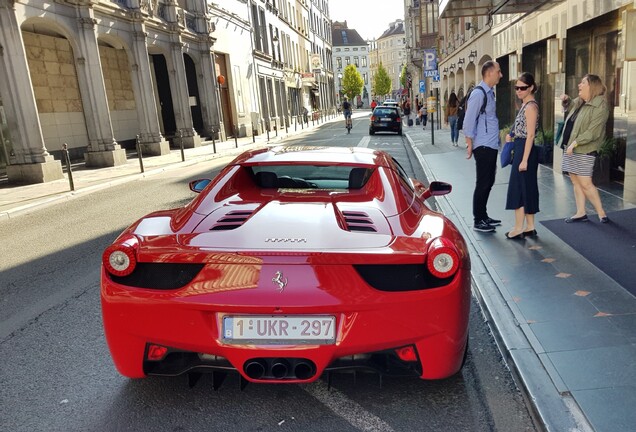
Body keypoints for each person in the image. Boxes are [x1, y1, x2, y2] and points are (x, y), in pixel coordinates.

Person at [558, 74, 609, 223]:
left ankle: (602, 213)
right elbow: (569, 107)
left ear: (591, 86)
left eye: (582, 83)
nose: (579, 85)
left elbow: (594, 132)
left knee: (586, 183)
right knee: (575, 181)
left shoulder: (600, 105)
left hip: (583, 149)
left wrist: (576, 143)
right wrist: (566, 101)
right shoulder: (580, 101)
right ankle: (581, 212)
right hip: (570, 148)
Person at [464, 60, 504, 233]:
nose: (501, 75)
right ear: (489, 73)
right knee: (483, 182)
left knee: (489, 181)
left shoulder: (490, 93)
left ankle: (483, 215)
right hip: (484, 146)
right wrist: (469, 143)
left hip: (491, 144)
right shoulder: (479, 94)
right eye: (499, 71)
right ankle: (478, 220)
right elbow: (468, 120)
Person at [504, 72, 540, 239]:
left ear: (531, 87)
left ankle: (519, 227)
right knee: (526, 187)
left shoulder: (531, 106)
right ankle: (530, 226)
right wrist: (511, 135)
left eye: (522, 88)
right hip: (521, 147)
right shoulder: (526, 105)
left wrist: (524, 159)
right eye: (516, 87)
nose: (518, 90)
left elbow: (531, 135)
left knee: (518, 187)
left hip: (525, 150)